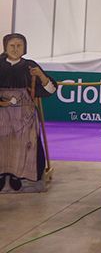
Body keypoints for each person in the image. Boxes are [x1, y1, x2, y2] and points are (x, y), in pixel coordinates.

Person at [0, 33, 56, 193]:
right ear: (5, 47)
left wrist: (41, 76)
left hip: (25, 113)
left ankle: (22, 176)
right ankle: (3, 175)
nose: (15, 49)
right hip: (1, 112)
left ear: (24, 48)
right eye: (12, 46)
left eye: (19, 46)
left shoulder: (30, 66)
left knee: (26, 145)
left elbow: (49, 89)